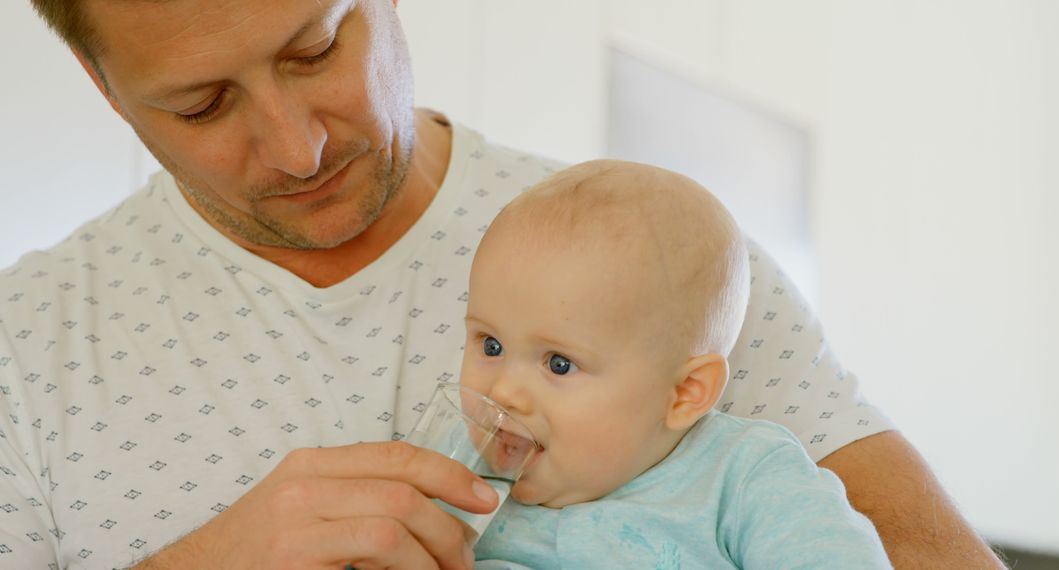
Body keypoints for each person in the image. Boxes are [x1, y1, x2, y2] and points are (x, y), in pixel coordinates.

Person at [0, 0, 1002, 568]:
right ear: (104, 87)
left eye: (316, 48)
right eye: (202, 104)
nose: (298, 147)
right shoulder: (23, 350)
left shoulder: (668, 266)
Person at [459, 159, 892, 569]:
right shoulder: (455, 488)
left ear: (685, 393)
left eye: (558, 364)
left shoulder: (745, 478)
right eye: (491, 346)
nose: (502, 392)